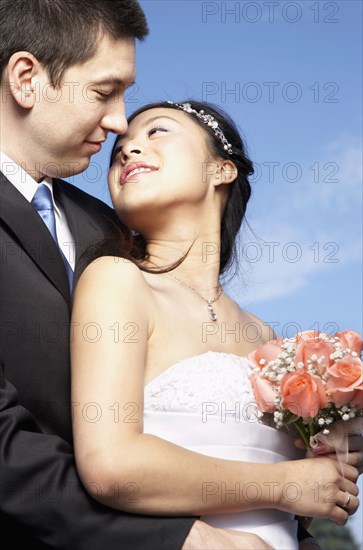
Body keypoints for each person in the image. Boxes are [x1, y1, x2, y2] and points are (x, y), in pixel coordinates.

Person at [70, 100, 362, 549]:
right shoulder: (117, 280)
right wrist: (283, 483)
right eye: (118, 150)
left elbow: (298, 496)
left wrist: (335, 452)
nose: (127, 151)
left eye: (156, 132)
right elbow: (112, 466)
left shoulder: (266, 339)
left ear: (221, 170)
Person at [0, 2, 235, 548]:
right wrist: (175, 537)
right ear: (27, 79)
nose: (118, 122)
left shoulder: (110, 225)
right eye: (104, 92)